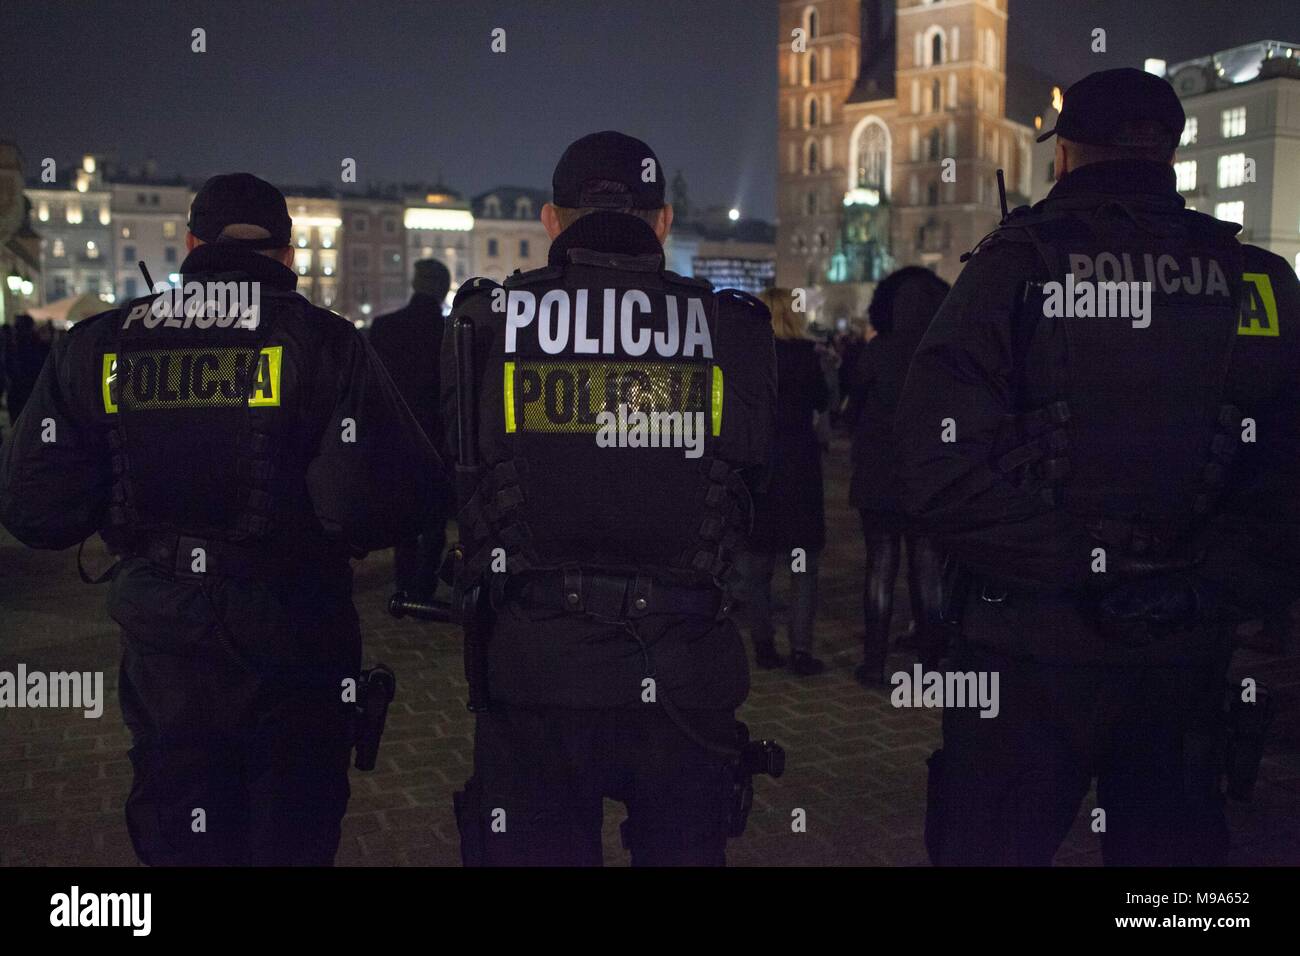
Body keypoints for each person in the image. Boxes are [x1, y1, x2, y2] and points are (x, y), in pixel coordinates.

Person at [896, 69, 1300, 866]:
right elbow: (1285, 486)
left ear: (1067, 156)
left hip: (1027, 653)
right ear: (1172, 153)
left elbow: (937, 465)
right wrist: (1198, 582)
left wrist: (1085, 560)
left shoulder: (1014, 267)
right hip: (1183, 658)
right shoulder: (1258, 281)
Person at [0, 173, 444, 865]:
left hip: (166, 635)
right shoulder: (328, 343)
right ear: (288, 253)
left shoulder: (99, 341)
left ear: (190, 245)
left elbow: (34, 509)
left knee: (180, 820)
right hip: (295, 625)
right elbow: (386, 501)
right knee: (290, 827)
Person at [442, 131, 777, 866]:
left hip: (535, 671)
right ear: (662, 222)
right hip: (687, 675)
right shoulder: (733, 326)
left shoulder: (487, 322)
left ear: (550, 221)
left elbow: (455, 481)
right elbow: (761, 495)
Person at [845, 267, 950, 686]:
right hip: (926, 478)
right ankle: (930, 662)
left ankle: (874, 663)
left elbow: (850, 414)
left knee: (880, 567)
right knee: (927, 570)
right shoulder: (943, 355)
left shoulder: (877, 353)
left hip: (877, 476)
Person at [732, 287, 828, 676]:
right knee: (803, 567)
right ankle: (801, 649)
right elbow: (823, 402)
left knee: (759, 568)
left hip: (761, 472)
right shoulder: (808, 358)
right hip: (801, 472)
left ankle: (764, 645)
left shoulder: (749, 360)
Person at [369, 258, 453, 600]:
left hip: (396, 435)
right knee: (434, 520)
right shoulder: (449, 331)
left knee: (404, 516)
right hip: (438, 435)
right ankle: (424, 584)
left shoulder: (384, 327)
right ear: (443, 289)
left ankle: (404, 583)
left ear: (415, 284)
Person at [4, 313, 51, 425]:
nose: (15, 331)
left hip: (28, 394)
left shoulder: (34, 347)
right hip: (24, 394)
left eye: (18, 327)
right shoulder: (13, 347)